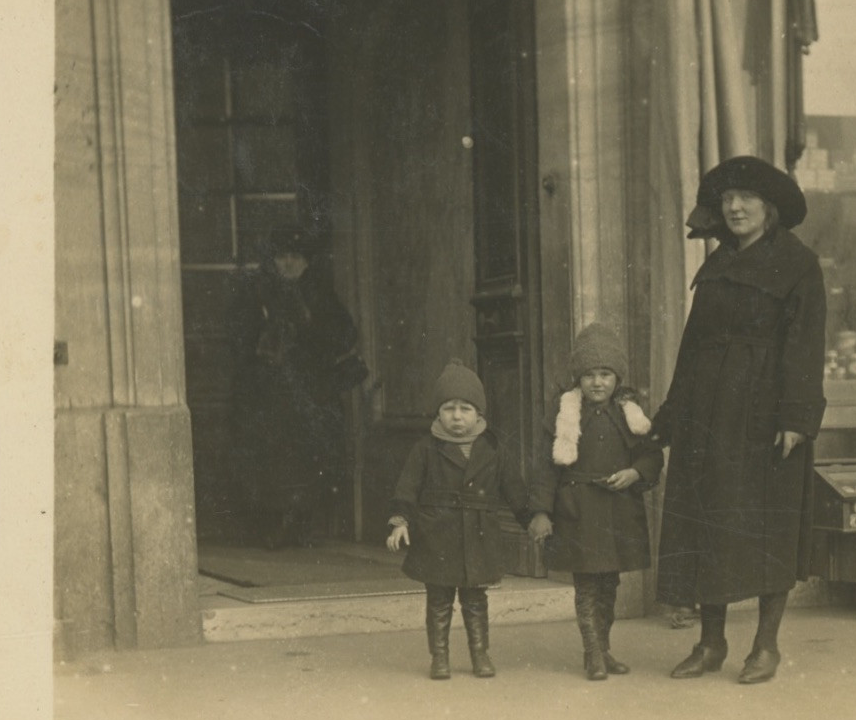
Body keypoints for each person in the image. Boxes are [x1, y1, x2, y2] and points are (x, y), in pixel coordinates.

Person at [652, 156, 828, 685]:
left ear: (769, 207)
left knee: (768, 525)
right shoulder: (718, 264)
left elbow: (805, 345)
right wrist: (671, 416)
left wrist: (797, 416)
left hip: (764, 417)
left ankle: (766, 646)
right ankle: (710, 643)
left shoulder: (798, 264)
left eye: (745, 198)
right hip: (708, 414)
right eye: (727, 199)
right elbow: (693, 347)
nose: (734, 207)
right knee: (709, 522)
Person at [528, 323, 664, 681]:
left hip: (617, 511)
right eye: (589, 375)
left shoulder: (629, 414)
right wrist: (541, 512)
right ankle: (592, 654)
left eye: (605, 374)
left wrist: (635, 473)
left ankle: (603, 648)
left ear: (617, 377)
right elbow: (545, 465)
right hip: (579, 512)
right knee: (587, 585)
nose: (597, 383)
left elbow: (651, 456)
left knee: (609, 586)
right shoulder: (565, 414)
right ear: (579, 379)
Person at [384, 361, 531, 680]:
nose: (457, 416)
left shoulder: (493, 449)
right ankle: (439, 657)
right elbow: (407, 487)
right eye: (449, 408)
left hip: (478, 535)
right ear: (438, 413)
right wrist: (400, 521)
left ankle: (480, 654)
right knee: (438, 600)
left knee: (476, 599)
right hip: (437, 534)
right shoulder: (425, 449)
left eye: (465, 408)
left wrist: (533, 520)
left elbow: (515, 491)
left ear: (479, 414)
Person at [231, 226, 364, 550]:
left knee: (309, 455)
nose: (289, 264)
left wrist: (310, 333)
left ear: (307, 262)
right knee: (271, 458)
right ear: (273, 261)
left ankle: (301, 521)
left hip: (310, 392)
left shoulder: (320, 293)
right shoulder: (258, 292)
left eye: (296, 257)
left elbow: (344, 334)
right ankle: (273, 524)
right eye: (282, 257)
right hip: (269, 393)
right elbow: (241, 340)